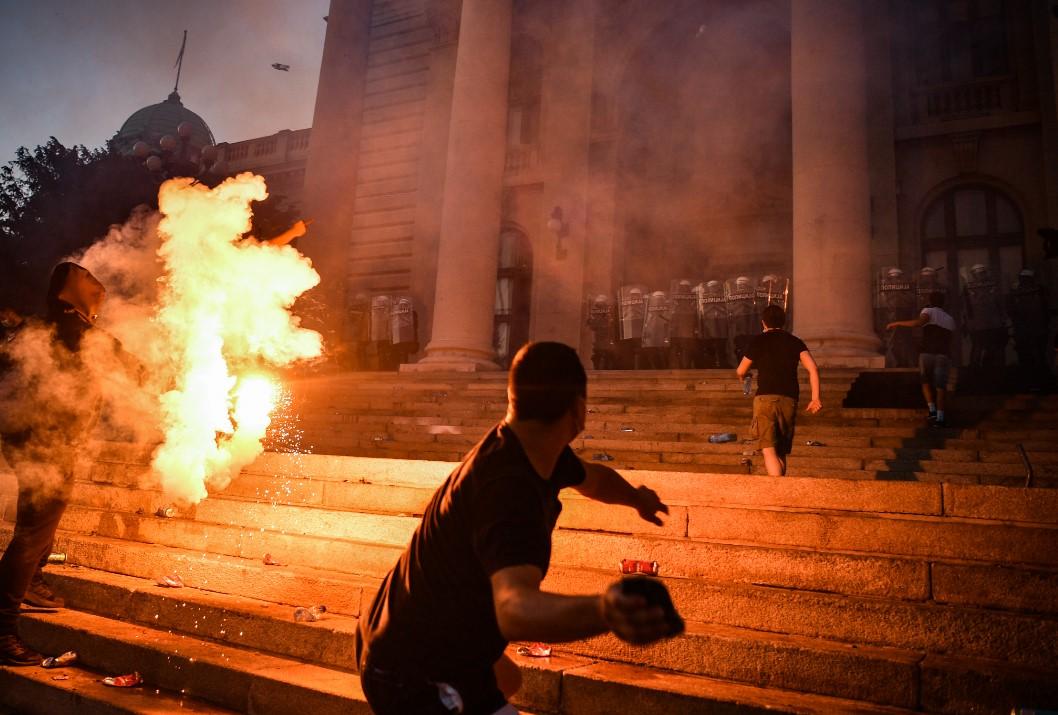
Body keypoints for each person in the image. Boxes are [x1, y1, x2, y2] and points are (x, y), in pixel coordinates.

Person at [356, 342, 681, 714]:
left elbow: (594, 480)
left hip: (398, 634)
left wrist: (637, 498)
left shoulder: (532, 449)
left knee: (507, 678)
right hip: (415, 672)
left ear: (513, 399)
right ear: (578, 411)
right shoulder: (510, 489)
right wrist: (607, 609)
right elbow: (515, 610)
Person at [0, 263, 107, 665]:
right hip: (48, 445)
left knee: (40, 523)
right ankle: (3, 633)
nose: (101, 297)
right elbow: (135, 369)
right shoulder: (77, 333)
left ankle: (35, 580)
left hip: (33, 442)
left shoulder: (42, 326)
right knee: (31, 533)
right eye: (95, 292)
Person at [735, 304, 822, 476]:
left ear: (763, 323)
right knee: (780, 450)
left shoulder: (758, 340)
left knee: (768, 449)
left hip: (765, 398)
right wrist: (815, 398)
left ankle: (777, 492)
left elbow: (740, 370)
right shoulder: (795, 341)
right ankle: (782, 490)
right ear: (784, 322)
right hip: (789, 399)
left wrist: (743, 378)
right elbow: (813, 368)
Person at [888, 290, 956, 427]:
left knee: (925, 382)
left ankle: (932, 411)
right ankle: (940, 418)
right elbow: (951, 340)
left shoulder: (928, 311)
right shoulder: (950, 318)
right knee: (940, 387)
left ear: (931, 301)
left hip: (928, 353)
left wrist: (897, 323)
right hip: (943, 354)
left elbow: (918, 323)